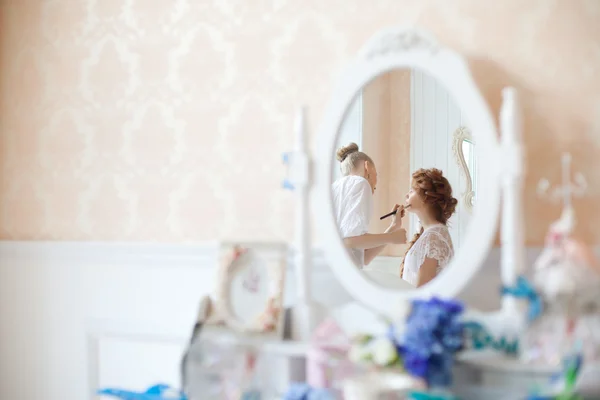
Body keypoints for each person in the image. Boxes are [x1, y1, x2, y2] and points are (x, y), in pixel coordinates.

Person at [332, 142, 407, 268]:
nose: (374, 188)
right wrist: (392, 238)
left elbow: (364, 258)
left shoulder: (334, 187)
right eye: (376, 176)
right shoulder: (361, 183)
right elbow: (350, 240)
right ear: (368, 168)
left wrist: (393, 227)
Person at [400, 168, 458, 287]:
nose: (406, 195)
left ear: (425, 198)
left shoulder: (433, 237)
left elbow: (422, 291)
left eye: (411, 191)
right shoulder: (432, 233)